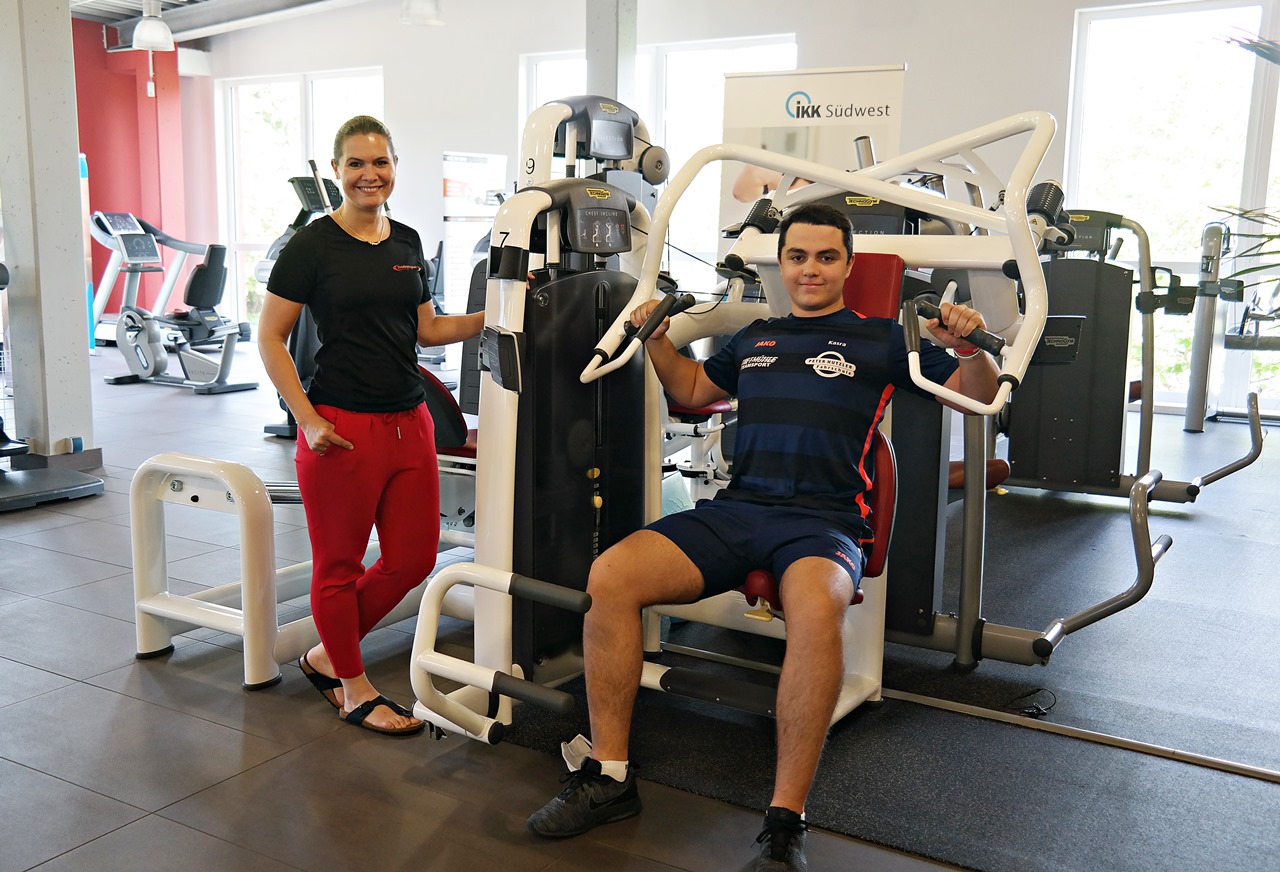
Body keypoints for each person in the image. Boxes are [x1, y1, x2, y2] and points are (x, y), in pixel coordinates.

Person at [526, 202, 999, 870]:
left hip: (824, 522)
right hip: (739, 510)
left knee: (815, 612)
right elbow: (693, 388)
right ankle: (609, 775)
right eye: (798, 256)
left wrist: (971, 346)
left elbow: (974, 396)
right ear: (782, 264)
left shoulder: (883, 341)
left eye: (825, 257)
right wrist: (657, 337)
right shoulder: (755, 336)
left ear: (847, 266)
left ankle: (785, 824)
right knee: (612, 576)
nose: (810, 269)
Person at [259, 115, 484, 737]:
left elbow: (428, 329)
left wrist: (497, 316)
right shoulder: (311, 246)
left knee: (412, 559)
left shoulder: (407, 242)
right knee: (339, 565)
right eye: (356, 164)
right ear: (336, 171)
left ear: (393, 167)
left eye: (379, 163)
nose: (369, 175)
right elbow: (271, 338)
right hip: (341, 424)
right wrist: (305, 419)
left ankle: (327, 651)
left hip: (407, 419)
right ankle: (351, 685)